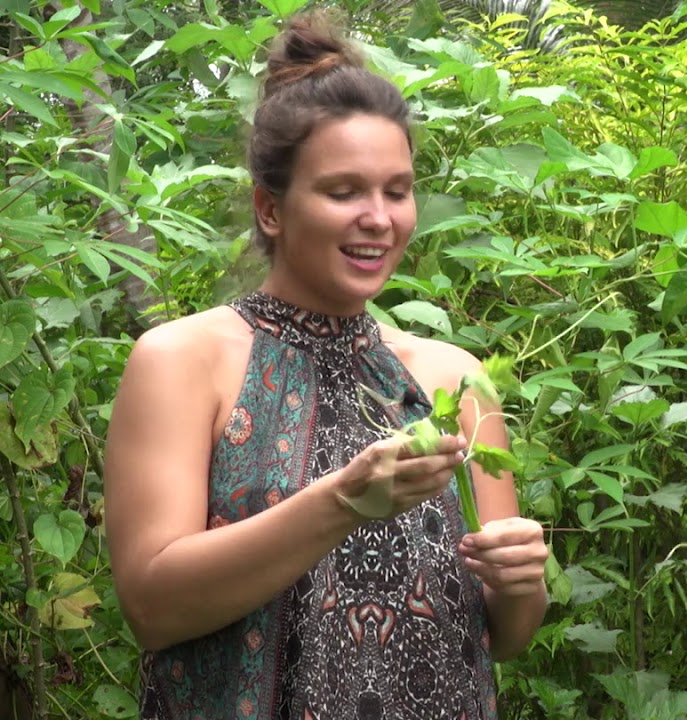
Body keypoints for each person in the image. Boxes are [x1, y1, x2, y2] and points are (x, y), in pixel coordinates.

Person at [103, 12, 548, 719]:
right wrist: (341, 501)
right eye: (344, 192)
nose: (379, 217)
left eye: (397, 191)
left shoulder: (452, 380)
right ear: (271, 210)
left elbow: (504, 637)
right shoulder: (184, 362)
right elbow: (154, 607)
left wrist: (523, 585)